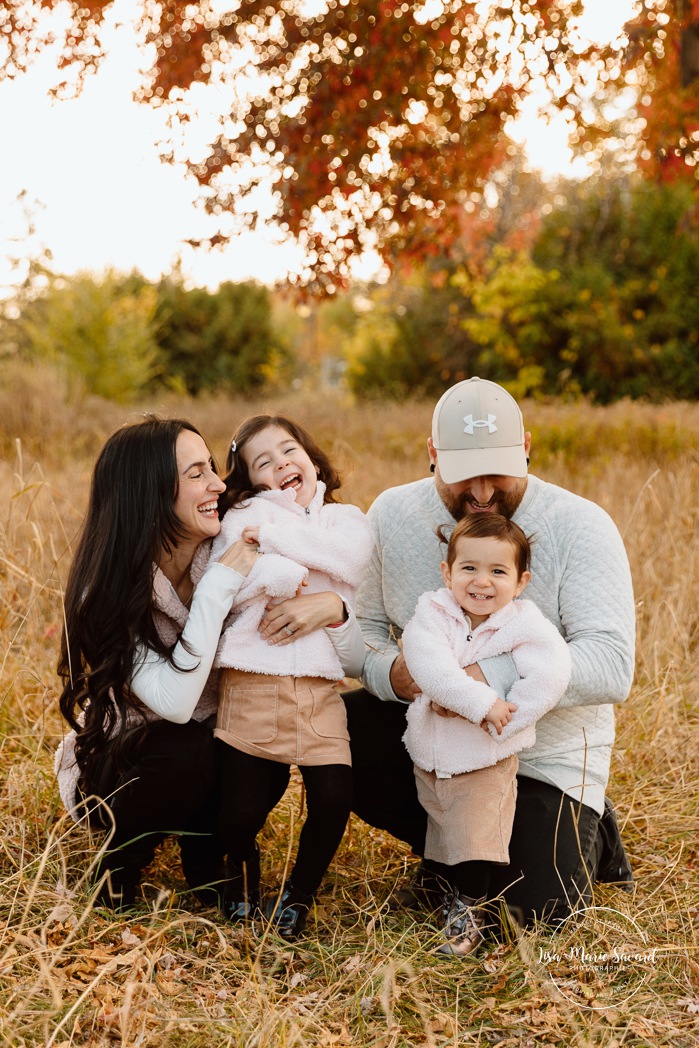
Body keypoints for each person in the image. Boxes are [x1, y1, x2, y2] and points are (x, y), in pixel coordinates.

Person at [344, 376, 636, 926]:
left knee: (533, 915)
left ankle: (584, 825)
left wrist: (480, 677)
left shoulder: (582, 525)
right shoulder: (390, 514)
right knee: (333, 732)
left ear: (526, 447)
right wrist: (396, 675)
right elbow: (364, 629)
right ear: (432, 455)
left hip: (542, 759)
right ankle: (447, 854)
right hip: (438, 741)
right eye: (462, 474)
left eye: (497, 469)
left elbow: (612, 665)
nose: (480, 491)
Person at [55, 415, 362, 910]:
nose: (220, 484)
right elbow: (175, 704)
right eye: (197, 473)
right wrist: (218, 587)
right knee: (184, 751)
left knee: (260, 745)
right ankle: (119, 868)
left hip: (216, 738)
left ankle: (206, 855)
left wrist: (335, 609)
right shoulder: (106, 593)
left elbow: (316, 593)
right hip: (131, 765)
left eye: (214, 468)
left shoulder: (219, 548)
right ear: (150, 491)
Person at [210, 415, 373, 940]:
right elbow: (226, 580)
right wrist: (279, 574)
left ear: (309, 455)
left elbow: (350, 562)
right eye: (264, 462)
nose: (282, 464)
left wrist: (277, 540)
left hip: (320, 687)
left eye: (288, 450)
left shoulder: (345, 520)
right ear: (252, 481)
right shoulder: (240, 516)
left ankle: (299, 895)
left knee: (333, 797)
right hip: (254, 678)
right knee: (240, 809)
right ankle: (239, 877)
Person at [401, 514, 571, 955]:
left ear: (520, 581)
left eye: (498, 571)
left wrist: (504, 719)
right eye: (469, 568)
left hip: (486, 756)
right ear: (448, 572)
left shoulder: (526, 626)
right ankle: (444, 894)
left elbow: (550, 678)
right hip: (434, 755)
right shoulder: (432, 613)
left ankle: (469, 914)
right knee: (444, 830)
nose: (482, 581)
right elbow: (430, 669)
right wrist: (480, 703)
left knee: (477, 839)